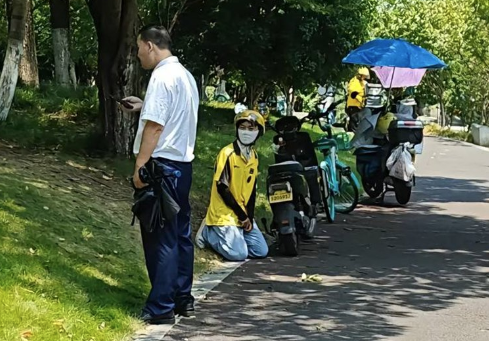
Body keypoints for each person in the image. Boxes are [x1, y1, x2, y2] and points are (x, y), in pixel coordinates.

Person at [122, 24, 199, 325]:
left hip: (162, 167)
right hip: (183, 166)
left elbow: (155, 127)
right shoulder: (185, 76)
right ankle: (183, 299)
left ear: (150, 46)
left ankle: (160, 308)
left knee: (160, 237)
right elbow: (173, 116)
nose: (138, 52)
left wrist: (140, 165)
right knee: (180, 234)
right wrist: (144, 107)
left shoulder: (161, 77)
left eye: (139, 46)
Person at [195, 110, 268, 261]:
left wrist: (249, 217)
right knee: (239, 254)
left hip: (241, 214)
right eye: (243, 127)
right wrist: (242, 217)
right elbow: (222, 188)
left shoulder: (254, 156)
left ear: (259, 132)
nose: (246, 132)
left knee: (261, 251)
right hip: (224, 214)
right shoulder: (227, 153)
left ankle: (237, 237)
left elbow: (252, 190)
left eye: (251, 128)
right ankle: (208, 233)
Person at [346, 67, 370, 131]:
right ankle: (352, 134)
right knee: (354, 121)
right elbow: (353, 93)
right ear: (360, 75)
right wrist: (360, 99)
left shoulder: (362, 82)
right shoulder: (354, 81)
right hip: (353, 105)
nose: (364, 78)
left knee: (357, 121)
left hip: (358, 106)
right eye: (364, 76)